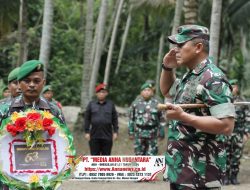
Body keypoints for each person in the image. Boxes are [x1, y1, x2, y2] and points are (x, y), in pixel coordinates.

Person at [160, 25, 235, 190]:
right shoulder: (192, 75)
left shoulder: (213, 79)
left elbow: (226, 126)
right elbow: (167, 90)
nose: (175, 50)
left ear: (198, 47)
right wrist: (167, 67)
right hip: (183, 168)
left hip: (200, 173)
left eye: (181, 45)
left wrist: (184, 117)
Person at [0, 60, 65, 189]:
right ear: (19, 83)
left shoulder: (53, 111)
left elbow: (62, 143)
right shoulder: (4, 110)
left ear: (43, 83)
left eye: (36, 81)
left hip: (44, 177)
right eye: (27, 81)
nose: (31, 85)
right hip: (11, 178)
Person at [223, 79, 250, 185]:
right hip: (226, 133)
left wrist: (247, 132)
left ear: (237, 88)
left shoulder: (242, 101)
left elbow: (248, 117)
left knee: (236, 155)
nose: (232, 89)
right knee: (225, 155)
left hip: (238, 133)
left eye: (233, 86)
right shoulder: (224, 100)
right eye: (230, 86)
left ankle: (234, 176)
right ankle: (225, 177)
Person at [128, 82, 165, 155]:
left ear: (152, 92)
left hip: (152, 133)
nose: (146, 92)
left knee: (152, 156)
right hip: (139, 133)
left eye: (149, 90)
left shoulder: (157, 104)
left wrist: (161, 131)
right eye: (144, 90)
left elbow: (162, 119)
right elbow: (131, 119)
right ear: (141, 92)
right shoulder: (135, 104)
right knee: (139, 155)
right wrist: (131, 132)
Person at [84, 83, 119, 155]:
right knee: (94, 157)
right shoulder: (91, 104)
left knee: (106, 158)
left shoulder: (111, 104)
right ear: (96, 93)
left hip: (107, 136)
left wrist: (115, 132)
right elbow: (87, 118)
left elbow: (114, 119)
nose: (101, 94)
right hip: (94, 136)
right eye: (99, 92)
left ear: (106, 93)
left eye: (103, 92)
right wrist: (87, 132)